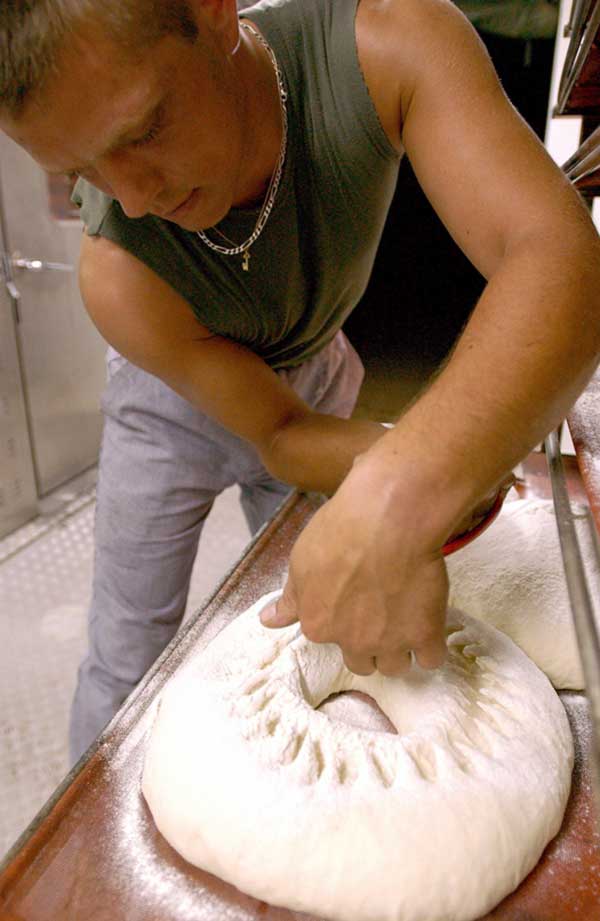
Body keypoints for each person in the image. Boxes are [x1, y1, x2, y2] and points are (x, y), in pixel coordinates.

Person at [2, 0, 599, 765]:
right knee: (129, 637)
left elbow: (557, 252)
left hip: (314, 364)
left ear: (213, 10)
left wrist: (418, 477)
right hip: (170, 401)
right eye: (82, 171)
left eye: (144, 129)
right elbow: (278, 436)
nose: (136, 199)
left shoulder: (387, 46)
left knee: (300, 604)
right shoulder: (120, 275)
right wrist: (413, 473)